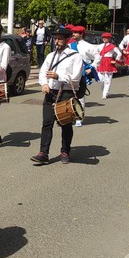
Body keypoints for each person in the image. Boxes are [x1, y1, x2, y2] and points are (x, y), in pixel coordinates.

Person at [31, 27, 83, 164]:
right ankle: (43, 153)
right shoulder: (50, 56)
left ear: (67, 40)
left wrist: (58, 76)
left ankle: (65, 151)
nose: (57, 41)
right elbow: (43, 72)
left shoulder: (75, 56)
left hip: (66, 93)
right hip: (50, 93)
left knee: (65, 124)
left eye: (60, 39)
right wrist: (44, 83)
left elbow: (76, 77)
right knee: (47, 123)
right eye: (56, 39)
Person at [69, 25, 97, 126]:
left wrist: (91, 67)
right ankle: (71, 115)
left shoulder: (88, 46)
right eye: (73, 32)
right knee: (69, 96)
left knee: (80, 96)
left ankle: (79, 118)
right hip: (70, 73)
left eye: (76, 33)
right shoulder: (70, 45)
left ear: (81, 34)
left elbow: (98, 56)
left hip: (82, 74)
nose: (74, 34)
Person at [93, 33, 122, 99]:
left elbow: (119, 53)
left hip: (108, 62)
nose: (104, 39)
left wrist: (116, 61)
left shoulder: (112, 46)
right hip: (101, 62)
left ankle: (105, 94)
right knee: (101, 78)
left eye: (106, 38)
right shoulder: (100, 46)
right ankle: (105, 91)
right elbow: (95, 52)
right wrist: (97, 58)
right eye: (103, 38)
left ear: (109, 39)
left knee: (108, 79)